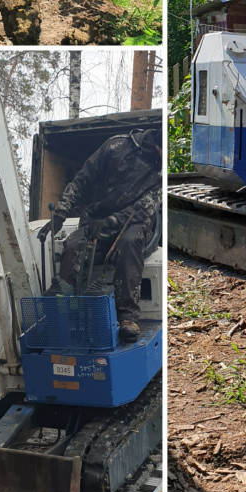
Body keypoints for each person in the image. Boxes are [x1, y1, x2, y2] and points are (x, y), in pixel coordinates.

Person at [51, 128, 161, 342]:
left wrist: (109, 223)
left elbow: (144, 209)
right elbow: (83, 179)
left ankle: (128, 317)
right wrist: (61, 212)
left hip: (134, 222)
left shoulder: (161, 174)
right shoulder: (117, 146)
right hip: (97, 217)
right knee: (73, 246)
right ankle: (64, 316)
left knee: (130, 243)